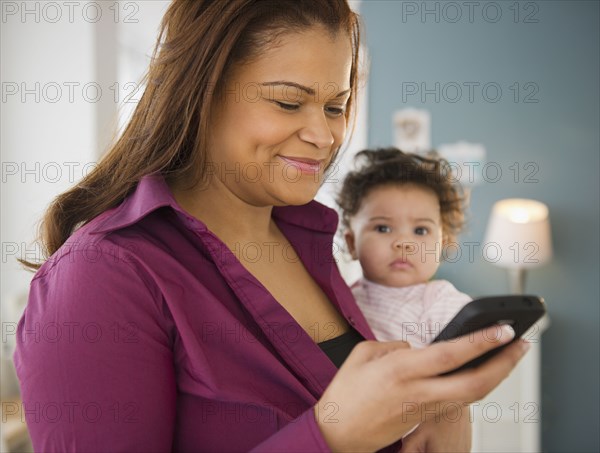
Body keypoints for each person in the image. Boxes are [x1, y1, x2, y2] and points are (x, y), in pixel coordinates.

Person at [13, 1, 529, 452]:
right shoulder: (102, 276)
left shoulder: (308, 243)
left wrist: (440, 409)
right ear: (201, 93)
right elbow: (341, 424)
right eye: (287, 102)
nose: (324, 135)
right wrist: (331, 437)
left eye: (336, 107)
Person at [338, 148, 472, 349]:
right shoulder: (343, 300)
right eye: (383, 228)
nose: (403, 243)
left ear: (442, 243)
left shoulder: (441, 302)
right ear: (351, 243)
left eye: (420, 230)